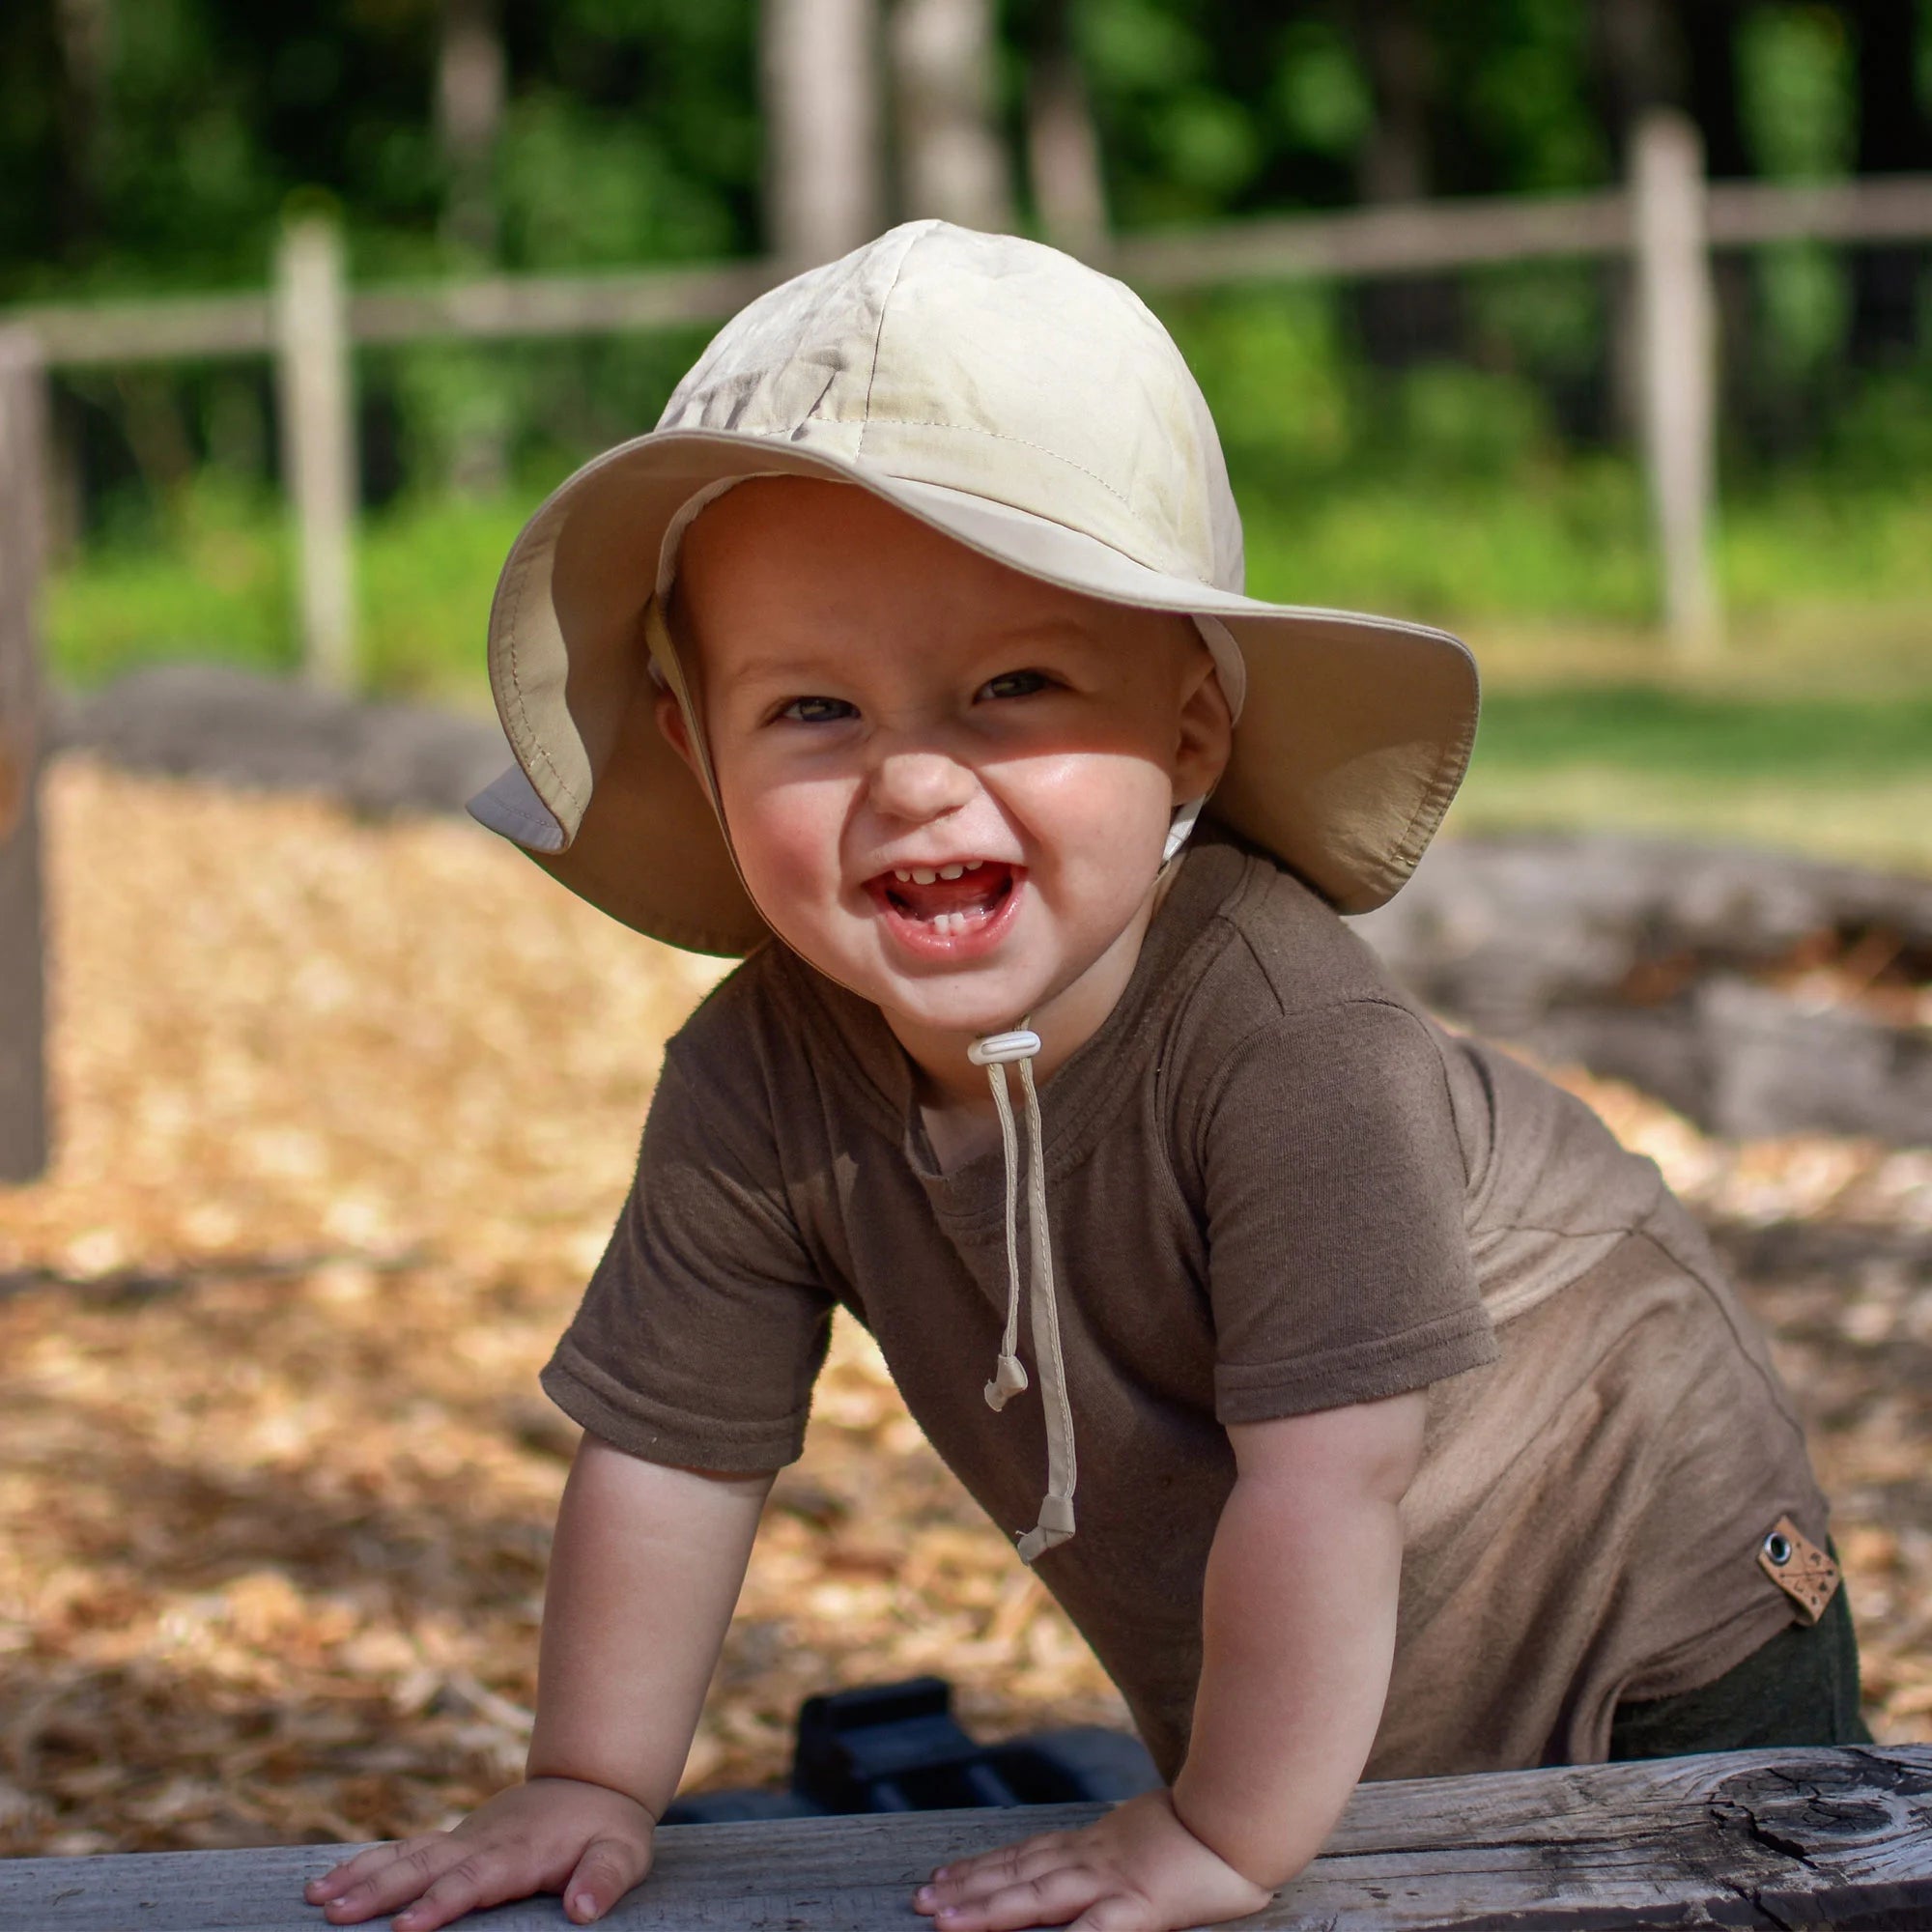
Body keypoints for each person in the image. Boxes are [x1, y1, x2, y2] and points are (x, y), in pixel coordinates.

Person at [304, 221, 1864, 1932]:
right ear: (695, 742)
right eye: (813, 709)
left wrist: (1216, 1839)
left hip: (1626, 1547)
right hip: (1298, 1631)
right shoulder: (759, 1079)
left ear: (1190, 727)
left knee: (1725, 1885)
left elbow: (1330, 1481)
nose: (912, 783)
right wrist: (591, 1778)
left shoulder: (1287, 1042)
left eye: (1012, 688)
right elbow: (673, 1457)